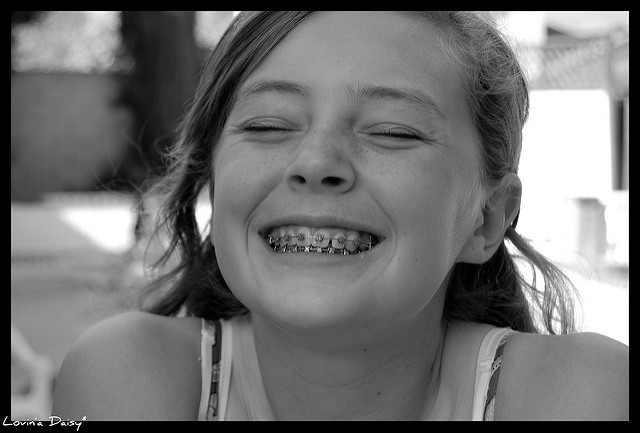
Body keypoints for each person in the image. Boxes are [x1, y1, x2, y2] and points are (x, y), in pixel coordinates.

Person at [52, 11, 628, 421]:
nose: (316, 162)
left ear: (487, 220)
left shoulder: (583, 396)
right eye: (269, 126)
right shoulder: (123, 380)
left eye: (392, 132)